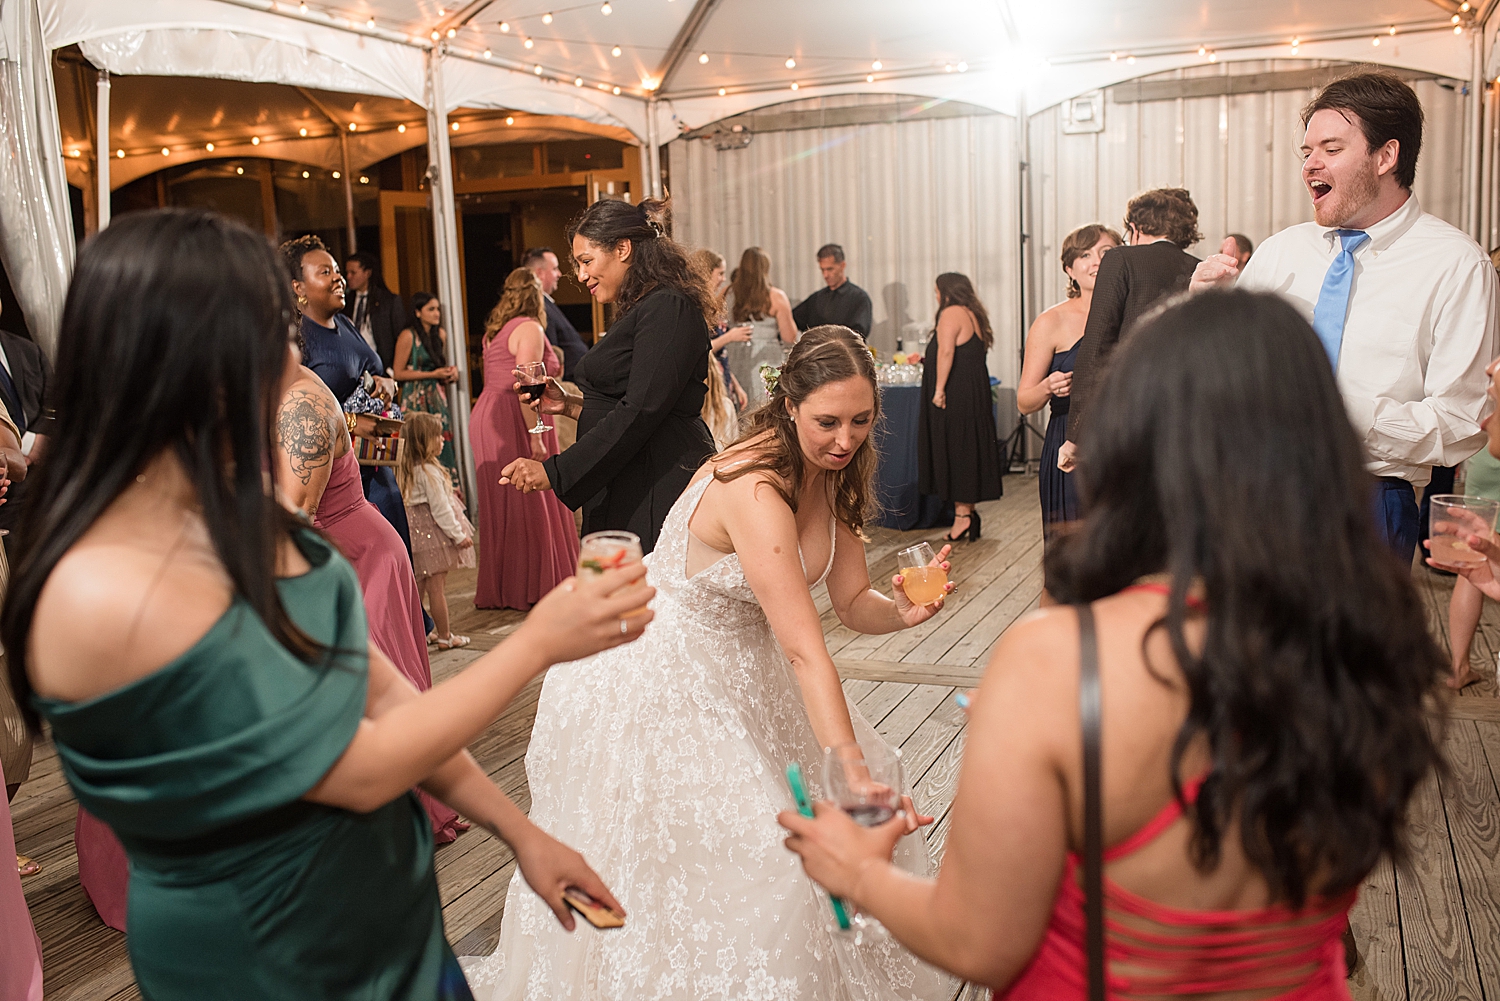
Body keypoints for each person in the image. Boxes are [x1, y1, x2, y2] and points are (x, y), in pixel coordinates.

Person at [5, 208, 649, 1000]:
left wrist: (520, 833)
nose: (291, 352)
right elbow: (354, 767)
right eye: (266, 331)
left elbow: (378, 693)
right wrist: (538, 640)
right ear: (178, 358)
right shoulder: (101, 580)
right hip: (268, 953)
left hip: (389, 913)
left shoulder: (249, 517)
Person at [781, 290, 1444, 999]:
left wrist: (855, 870)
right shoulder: (1370, 650)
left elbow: (978, 940)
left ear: (1137, 439)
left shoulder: (1058, 660)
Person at [463, 326, 959, 1001]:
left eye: (861, 419)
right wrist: (848, 776)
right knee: (766, 854)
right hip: (665, 675)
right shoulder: (755, 488)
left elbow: (848, 601)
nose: (845, 438)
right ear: (788, 405)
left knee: (800, 844)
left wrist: (898, 610)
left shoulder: (837, 471)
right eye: (828, 422)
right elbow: (803, 647)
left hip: (746, 670)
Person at [1193, 71, 1498, 566]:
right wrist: (1204, 314)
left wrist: (1331, 407)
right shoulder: (1279, 252)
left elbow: (1463, 422)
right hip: (1250, 487)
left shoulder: (1458, 265)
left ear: (1386, 156)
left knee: (1349, 647)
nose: (1310, 164)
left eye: (1330, 150)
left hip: (1369, 502)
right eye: (1307, 152)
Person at [275, 361, 468, 843]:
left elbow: (295, 520)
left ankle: (395, 812)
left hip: (358, 558)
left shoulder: (303, 406)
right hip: (325, 555)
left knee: (379, 688)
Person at [498, 198, 717, 556]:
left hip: (657, 478)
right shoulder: (647, 304)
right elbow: (632, 402)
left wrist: (556, 472)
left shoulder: (668, 306)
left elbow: (643, 411)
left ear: (623, 249)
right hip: (634, 474)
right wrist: (569, 405)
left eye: (586, 261)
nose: (581, 275)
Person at [281, 235, 415, 555]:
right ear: (297, 287)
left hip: (374, 466)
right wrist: (353, 421)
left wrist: (386, 383)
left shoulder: (343, 322)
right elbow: (297, 407)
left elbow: (368, 372)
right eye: (325, 272)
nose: (338, 278)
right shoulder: (298, 341)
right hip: (332, 480)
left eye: (338, 271)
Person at [1057, 188, 1202, 473]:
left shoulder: (1121, 259)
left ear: (1134, 228)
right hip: (1185, 413)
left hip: (1132, 411)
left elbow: (1097, 345)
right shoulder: (1199, 267)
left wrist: (1076, 434)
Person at [472, 269, 579, 610]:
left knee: (503, 506)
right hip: (514, 415)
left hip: (486, 414)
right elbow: (528, 384)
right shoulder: (529, 327)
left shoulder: (495, 330)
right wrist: (536, 434)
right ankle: (536, 587)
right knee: (531, 498)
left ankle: (507, 588)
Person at [1018, 225, 1121, 573]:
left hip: (1120, 442)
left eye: (1105, 252)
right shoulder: (1051, 321)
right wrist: (1048, 386)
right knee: (1070, 560)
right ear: (1069, 269)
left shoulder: (1128, 313)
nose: (1095, 262)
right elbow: (1024, 401)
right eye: (1085, 255)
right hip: (1068, 442)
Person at [919, 272, 1004, 542]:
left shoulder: (951, 312)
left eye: (936, 291)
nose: (935, 297)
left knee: (957, 451)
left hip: (956, 395)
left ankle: (963, 518)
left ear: (946, 292)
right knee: (967, 451)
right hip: (973, 394)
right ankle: (966, 514)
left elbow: (946, 352)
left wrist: (939, 390)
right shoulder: (971, 313)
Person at [398, 412, 476, 650]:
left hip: (415, 539)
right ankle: (445, 635)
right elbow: (441, 510)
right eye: (437, 436)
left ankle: (420, 633)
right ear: (424, 442)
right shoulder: (430, 472)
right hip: (434, 538)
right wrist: (458, 535)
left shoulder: (406, 471)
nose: (443, 440)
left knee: (418, 590)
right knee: (437, 590)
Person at [394, 292, 461, 489]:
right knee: (418, 446)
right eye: (431, 309)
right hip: (415, 398)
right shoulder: (408, 336)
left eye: (437, 309)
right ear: (417, 312)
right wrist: (432, 374)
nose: (436, 313)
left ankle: (448, 494)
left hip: (437, 399)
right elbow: (398, 373)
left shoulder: (440, 334)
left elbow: (440, 365)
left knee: (441, 445)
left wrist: (450, 373)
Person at [0, 310, 53, 558]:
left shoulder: (29, 350)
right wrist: (30, 443)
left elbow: (58, 405)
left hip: (45, 478)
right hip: (9, 504)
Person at [724, 246, 799, 408]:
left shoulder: (728, 293)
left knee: (738, 412)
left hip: (735, 359)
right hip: (766, 361)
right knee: (765, 411)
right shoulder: (776, 297)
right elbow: (789, 337)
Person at [689, 247, 751, 411]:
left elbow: (720, 355)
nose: (723, 279)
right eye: (720, 273)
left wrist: (736, 385)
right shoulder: (694, 307)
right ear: (705, 273)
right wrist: (730, 336)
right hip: (708, 385)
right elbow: (700, 351)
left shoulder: (710, 304)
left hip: (722, 378)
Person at [522, 247, 590, 381]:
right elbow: (550, 353)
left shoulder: (547, 303)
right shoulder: (539, 306)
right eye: (554, 269)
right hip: (566, 383)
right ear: (539, 273)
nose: (559, 274)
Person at [343, 251, 408, 373]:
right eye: (347, 273)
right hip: (353, 368)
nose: (348, 277)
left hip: (382, 368)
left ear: (367, 273)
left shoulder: (389, 301)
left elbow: (400, 336)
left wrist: (392, 369)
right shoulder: (345, 303)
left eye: (353, 273)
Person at [791, 243, 874, 338]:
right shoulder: (817, 298)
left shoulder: (859, 298)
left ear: (842, 265)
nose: (825, 275)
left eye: (830, 269)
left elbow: (859, 334)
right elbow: (792, 319)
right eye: (822, 270)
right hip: (818, 352)